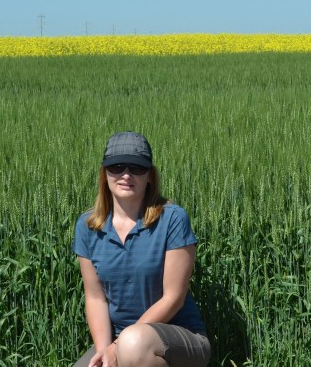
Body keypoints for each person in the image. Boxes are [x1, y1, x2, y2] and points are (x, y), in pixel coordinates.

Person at [72, 131, 211, 367]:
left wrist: (119, 346)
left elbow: (173, 298)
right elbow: (95, 298)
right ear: (104, 173)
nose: (126, 175)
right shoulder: (88, 226)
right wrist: (107, 350)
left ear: (150, 176)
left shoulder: (172, 219)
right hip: (118, 339)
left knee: (133, 344)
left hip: (177, 338)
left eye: (137, 168)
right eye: (117, 167)